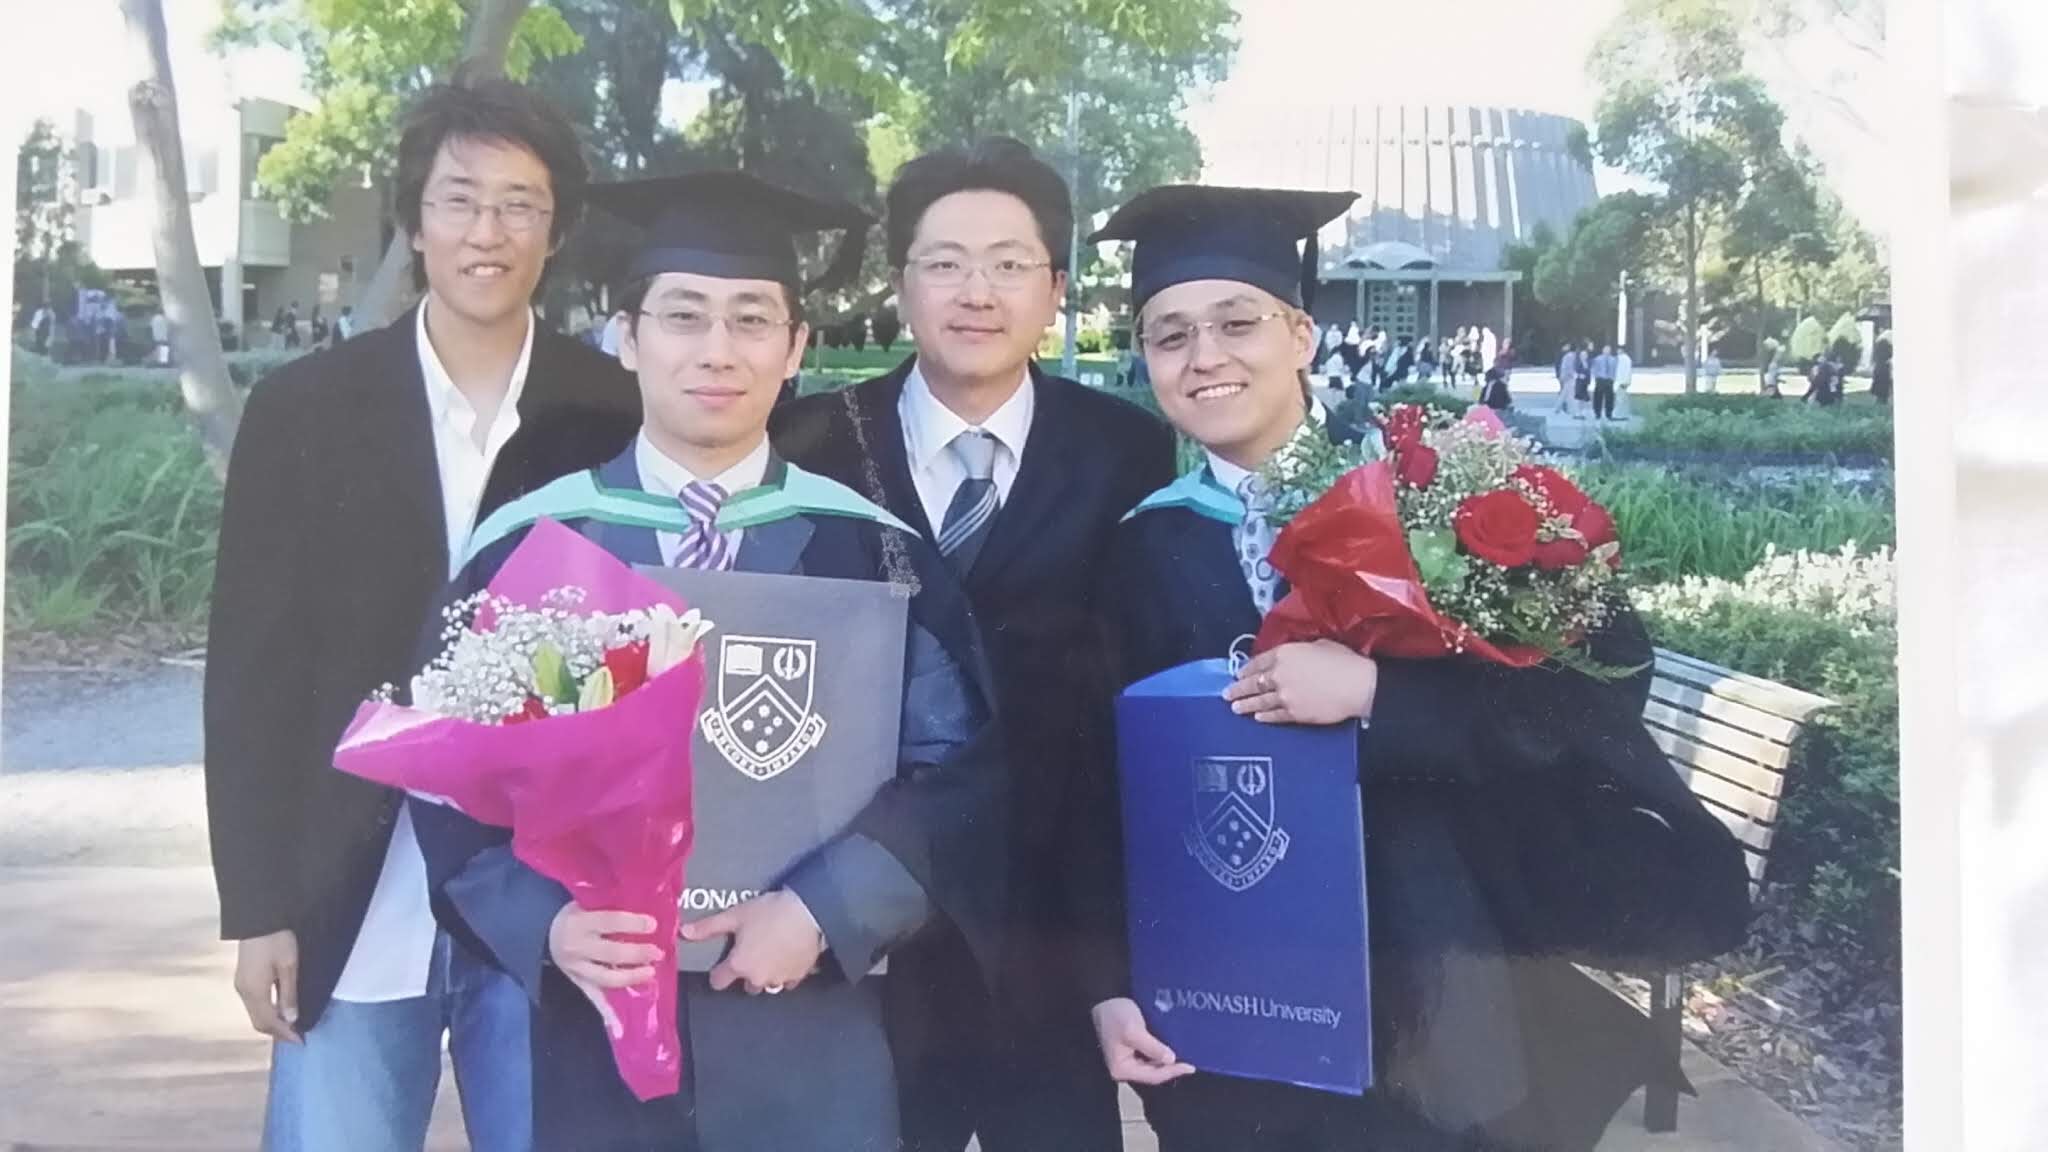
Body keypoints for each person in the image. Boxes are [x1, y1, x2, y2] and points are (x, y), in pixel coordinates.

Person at [1080, 182, 1754, 1152]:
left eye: (1236, 323)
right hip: (1235, 1001)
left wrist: (1377, 698)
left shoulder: (1446, 488)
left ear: (1302, 335)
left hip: (1444, 984)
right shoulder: (1140, 549)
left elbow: (1600, 680)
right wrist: (1107, 978)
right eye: (1167, 335)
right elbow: (1096, 784)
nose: (1203, 357)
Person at [413, 170, 1006, 1152]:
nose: (717, 350)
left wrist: (826, 910)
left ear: (794, 348)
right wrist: (549, 924)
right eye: (682, 316)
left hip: (809, 1025)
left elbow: (963, 771)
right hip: (595, 1013)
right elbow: (450, 773)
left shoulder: (873, 549)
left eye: (751, 319)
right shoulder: (540, 543)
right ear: (626, 336)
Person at [203, 74, 640, 1152]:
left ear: (557, 227)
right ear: (415, 218)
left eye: (519, 203)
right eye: (458, 198)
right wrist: (257, 904)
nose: (486, 231)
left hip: (549, 902)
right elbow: (252, 675)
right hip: (354, 890)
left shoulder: (615, 413)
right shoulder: (305, 410)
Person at [771, 138, 1177, 1152]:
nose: (976, 291)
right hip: (864, 927)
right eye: (943, 261)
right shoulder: (809, 440)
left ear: (1054, 288)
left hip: (1048, 929)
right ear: (901, 282)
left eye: (1008, 262)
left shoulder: (1123, 449)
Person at [1590, 343, 1618, 421]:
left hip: (1609, 380)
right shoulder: (1598, 359)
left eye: (1608, 350)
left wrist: (1613, 378)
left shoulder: (1613, 359)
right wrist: (1596, 378)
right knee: (1598, 397)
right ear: (1603, 350)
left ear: (1610, 351)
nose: (1607, 351)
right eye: (1605, 349)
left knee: (1609, 398)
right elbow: (1594, 369)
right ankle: (1597, 413)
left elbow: (1614, 370)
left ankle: (1609, 414)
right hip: (1600, 380)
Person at [1555, 342, 1580, 417]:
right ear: (1576, 350)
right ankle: (1574, 411)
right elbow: (1569, 368)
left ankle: (1557, 408)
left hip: (1565, 376)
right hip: (1568, 377)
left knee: (1564, 393)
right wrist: (1573, 375)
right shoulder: (1571, 356)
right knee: (1571, 395)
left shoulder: (1568, 355)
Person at [1613, 341, 1634, 421]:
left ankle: (1617, 415)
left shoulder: (1622, 358)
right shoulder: (1627, 358)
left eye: (1618, 350)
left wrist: (1624, 381)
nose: (1617, 351)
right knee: (1622, 398)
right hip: (1624, 381)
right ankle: (1623, 414)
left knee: (1620, 399)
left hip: (1622, 381)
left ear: (1621, 350)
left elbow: (1624, 371)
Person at [1871, 336, 1893, 404]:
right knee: (1884, 392)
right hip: (1885, 371)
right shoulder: (1887, 362)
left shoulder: (1877, 353)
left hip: (1878, 370)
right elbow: (1890, 355)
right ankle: (1883, 401)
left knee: (1878, 391)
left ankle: (1878, 401)